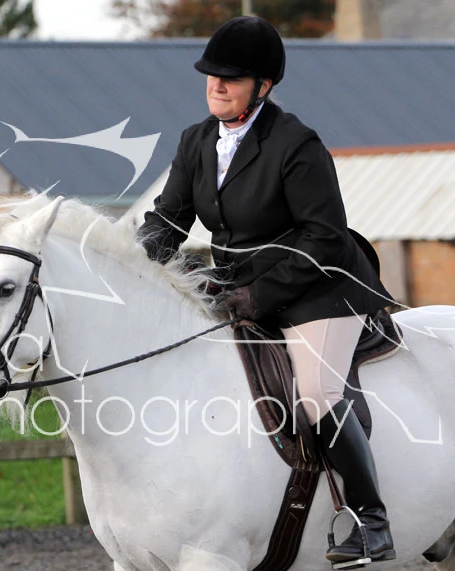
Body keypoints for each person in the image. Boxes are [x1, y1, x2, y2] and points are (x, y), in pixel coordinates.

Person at [137, 16, 396, 566]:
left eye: (231, 78)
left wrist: (260, 297)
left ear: (264, 86)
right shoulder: (197, 140)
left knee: (317, 393)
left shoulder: (296, 144)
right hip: (241, 286)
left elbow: (325, 239)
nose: (216, 85)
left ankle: (370, 519)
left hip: (319, 288)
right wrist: (127, 258)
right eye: (211, 75)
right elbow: (168, 220)